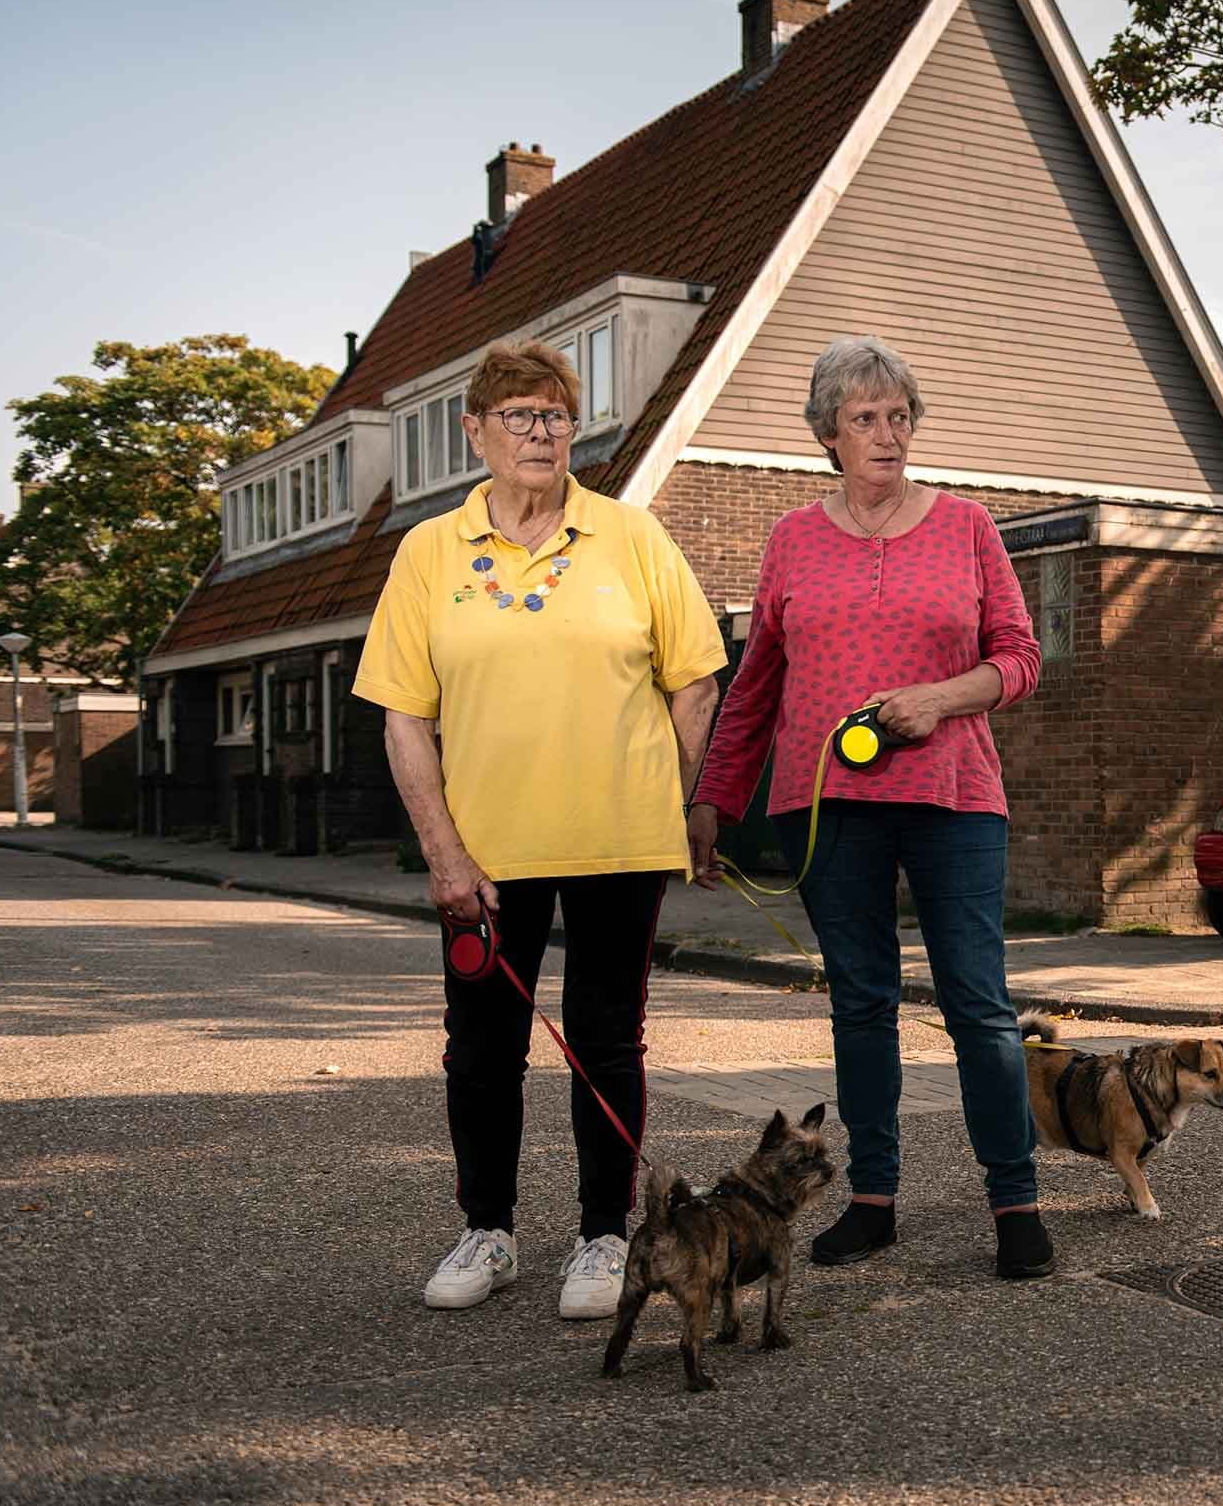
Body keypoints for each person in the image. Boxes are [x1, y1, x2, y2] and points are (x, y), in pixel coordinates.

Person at [355, 339, 728, 1318]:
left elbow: (697, 680)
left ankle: (605, 1239)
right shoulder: (429, 552)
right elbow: (404, 716)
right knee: (481, 1049)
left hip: (618, 843)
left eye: (554, 414)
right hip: (484, 856)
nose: (538, 430)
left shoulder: (632, 537)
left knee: (607, 1041)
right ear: (473, 431)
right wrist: (442, 851)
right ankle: (489, 1229)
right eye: (516, 414)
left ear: (576, 429)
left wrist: (675, 800)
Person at [687, 334, 1051, 1279]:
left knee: (979, 1004)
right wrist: (713, 803)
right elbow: (755, 685)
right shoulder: (790, 539)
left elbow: (1020, 658)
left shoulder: (968, 526)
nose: (888, 435)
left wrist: (939, 697)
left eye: (900, 416)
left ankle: (1015, 1201)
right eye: (865, 419)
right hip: (827, 804)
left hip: (955, 795)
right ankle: (873, 1199)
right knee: (861, 1006)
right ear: (829, 435)